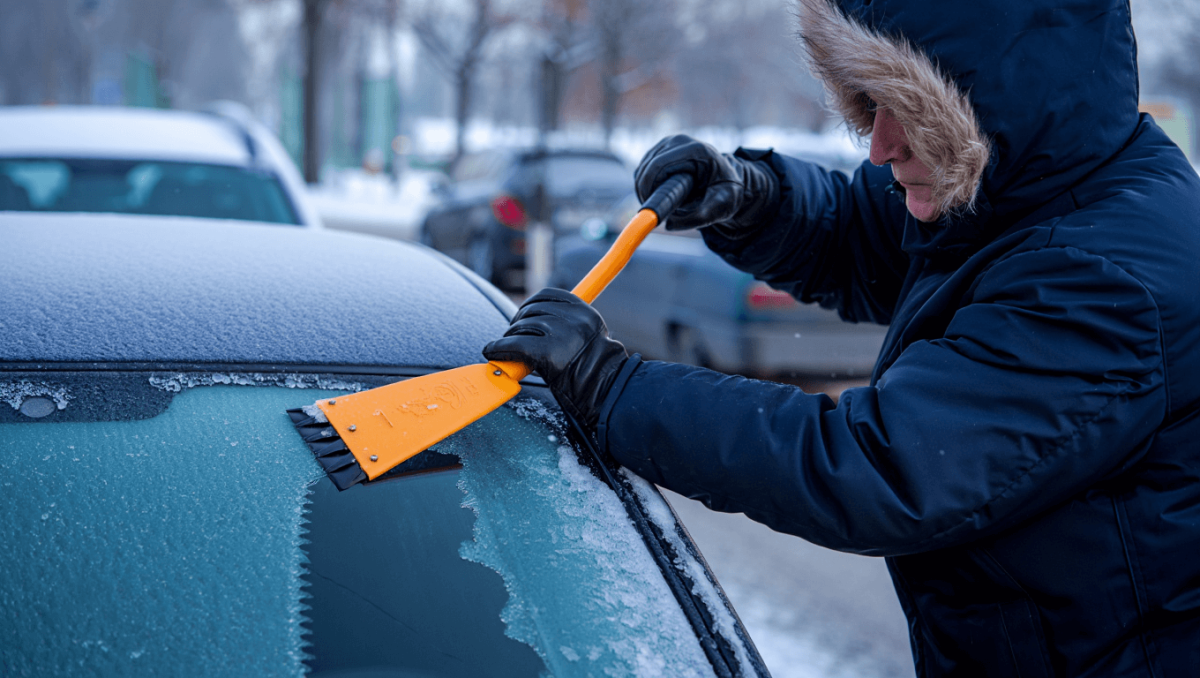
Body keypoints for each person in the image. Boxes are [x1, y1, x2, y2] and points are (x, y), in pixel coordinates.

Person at [483, 0, 1200, 675]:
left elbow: (882, 468)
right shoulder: (1024, 185)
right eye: (872, 102)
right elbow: (865, 236)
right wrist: (753, 200)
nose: (880, 146)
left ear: (1004, 98)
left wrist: (617, 392)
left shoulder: (1104, 277)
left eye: (911, 108)